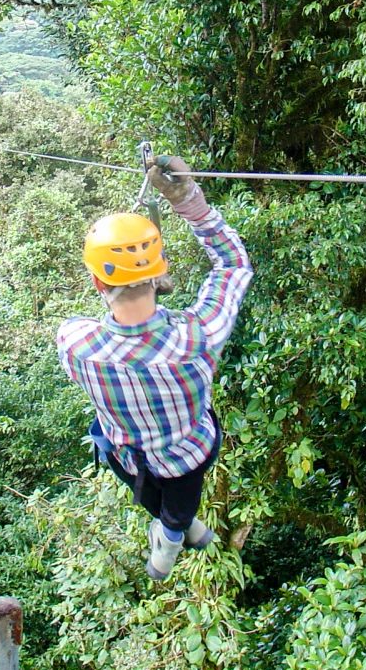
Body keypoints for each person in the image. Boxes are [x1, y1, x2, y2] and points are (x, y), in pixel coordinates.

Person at [57, 156, 253, 579]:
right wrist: (187, 199)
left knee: (154, 495)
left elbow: (104, 330)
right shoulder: (199, 335)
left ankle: (175, 531)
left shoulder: (76, 343)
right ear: (159, 273)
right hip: (186, 454)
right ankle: (176, 530)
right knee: (178, 500)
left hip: (127, 456)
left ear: (97, 282)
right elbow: (234, 265)